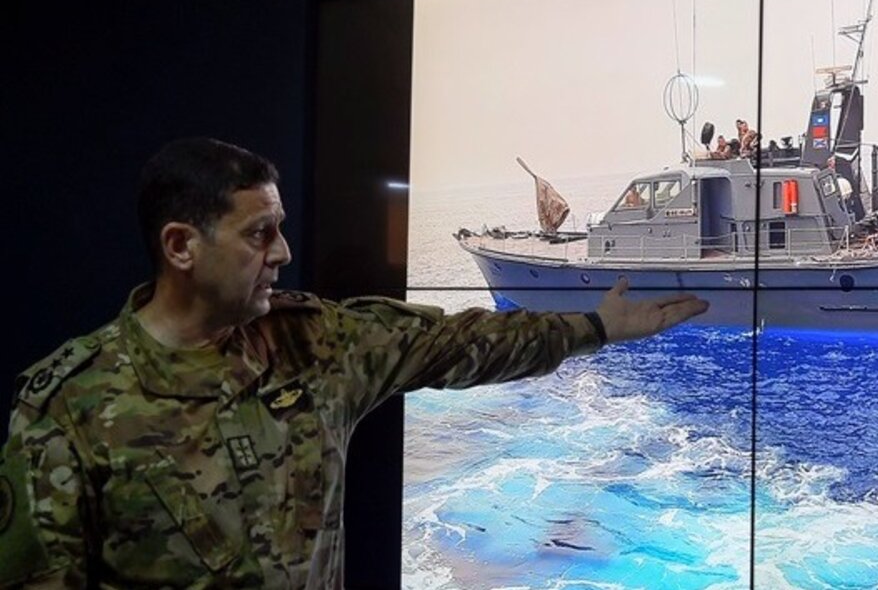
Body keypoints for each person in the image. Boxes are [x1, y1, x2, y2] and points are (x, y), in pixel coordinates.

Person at [0, 138, 708, 588]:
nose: (282, 252)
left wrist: (594, 327)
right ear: (181, 246)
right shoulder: (70, 405)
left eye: (280, 229)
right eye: (259, 234)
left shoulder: (318, 344)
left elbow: (459, 344)